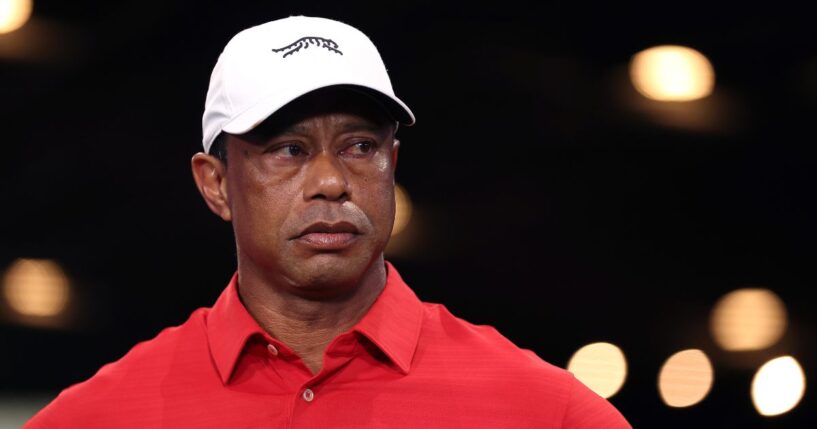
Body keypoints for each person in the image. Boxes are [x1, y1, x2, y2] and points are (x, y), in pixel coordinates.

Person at [25, 16, 630, 428]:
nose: (331, 181)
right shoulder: (100, 415)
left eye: (360, 146)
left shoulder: (546, 413)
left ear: (392, 165)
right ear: (215, 184)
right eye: (287, 148)